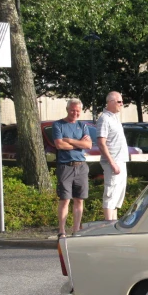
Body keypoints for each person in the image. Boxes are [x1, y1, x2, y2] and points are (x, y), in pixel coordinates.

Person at [52, 99, 92, 238]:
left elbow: (89, 145)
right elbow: (59, 145)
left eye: (78, 111)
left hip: (81, 167)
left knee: (79, 199)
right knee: (65, 199)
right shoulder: (58, 125)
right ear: (67, 109)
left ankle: (76, 230)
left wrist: (70, 140)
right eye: (72, 110)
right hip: (65, 167)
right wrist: (79, 144)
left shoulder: (82, 125)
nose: (75, 113)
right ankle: (62, 230)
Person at [96, 91, 129, 220]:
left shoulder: (114, 118)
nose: (122, 104)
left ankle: (113, 224)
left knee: (117, 196)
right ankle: (108, 225)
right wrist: (112, 163)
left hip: (121, 161)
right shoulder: (104, 118)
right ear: (110, 102)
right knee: (110, 194)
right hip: (113, 162)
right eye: (119, 101)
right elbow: (101, 142)